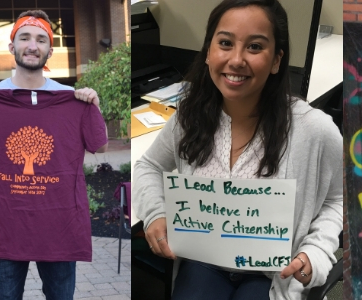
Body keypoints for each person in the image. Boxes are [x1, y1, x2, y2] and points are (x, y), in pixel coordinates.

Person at [130, 1, 342, 298]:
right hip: (205, 260)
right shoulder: (190, 116)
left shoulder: (314, 130)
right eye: (225, 43)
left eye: (255, 47)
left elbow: (339, 199)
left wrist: (316, 253)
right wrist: (154, 212)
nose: (237, 59)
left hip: (270, 273)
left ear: (277, 60)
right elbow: (148, 166)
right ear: (208, 52)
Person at [0, 8, 104, 300]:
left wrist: (94, 105)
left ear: (49, 50)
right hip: (2, 231)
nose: (32, 45)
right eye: (24, 38)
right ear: (11, 46)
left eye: (40, 40)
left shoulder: (72, 99)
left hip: (59, 231)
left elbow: (100, 146)